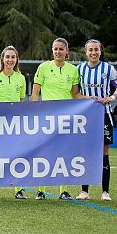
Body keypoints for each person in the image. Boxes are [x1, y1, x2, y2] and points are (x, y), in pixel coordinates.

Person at [31, 38, 80, 200]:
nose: (58, 51)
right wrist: (36, 112)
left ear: (67, 51)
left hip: (66, 119)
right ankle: (41, 190)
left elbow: (75, 94)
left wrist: (90, 100)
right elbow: (35, 93)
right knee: (43, 154)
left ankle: (63, 191)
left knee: (64, 154)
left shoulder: (73, 70)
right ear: (52, 51)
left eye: (61, 49)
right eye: (55, 49)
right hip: (46, 118)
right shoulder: (44, 67)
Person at [76, 39, 117, 202]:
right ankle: (84, 191)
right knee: (86, 153)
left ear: (100, 51)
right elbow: (74, 93)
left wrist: (111, 97)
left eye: (96, 50)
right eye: (90, 50)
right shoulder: (80, 69)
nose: (93, 53)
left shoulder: (108, 69)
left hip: (104, 115)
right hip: (86, 117)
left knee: (104, 154)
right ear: (86, 51)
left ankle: (105, 191)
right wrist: (87, 98)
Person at [0, 46, 27, 199]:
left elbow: (21, 101)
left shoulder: (21, 78)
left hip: (14, 124)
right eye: (7, 57)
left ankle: (19, 190)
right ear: (2, 59)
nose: (10, 60)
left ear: (16, 59)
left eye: (13, 57)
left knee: (16, 156)